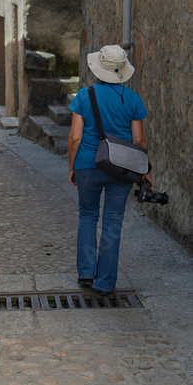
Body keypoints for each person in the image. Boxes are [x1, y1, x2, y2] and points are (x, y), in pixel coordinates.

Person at [68, 44, 153, 295]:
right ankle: (104, 283)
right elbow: (138, 140)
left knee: (87, 215)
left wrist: (72, 166)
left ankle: (85, 272)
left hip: (88, 164)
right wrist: (145, 169)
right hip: (122, 168)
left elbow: (74, 138)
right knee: (113, 221)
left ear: (98, 68)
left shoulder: (84, 95)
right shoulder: (133, 98)